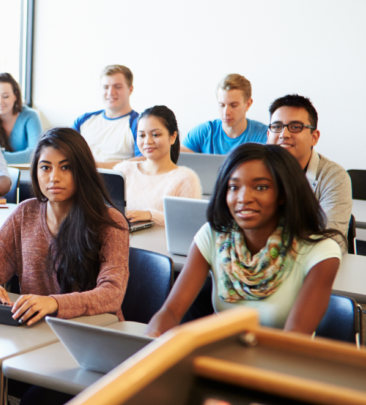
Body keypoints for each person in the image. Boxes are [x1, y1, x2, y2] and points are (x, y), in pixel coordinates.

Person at [0, 127, 130, 405]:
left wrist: (52, 303)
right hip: (35, 340)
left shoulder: (109, 222)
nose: (54, 177)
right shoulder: (25, 213)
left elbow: (112, 294)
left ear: (82, 172)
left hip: (87, 348)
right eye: (46, 167)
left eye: (66, 167)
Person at [147, 144, 342, 337]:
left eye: (260, 187)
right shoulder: (212, 235)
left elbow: (295, 335)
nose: (243, 197)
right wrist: (150, 342)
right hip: (222, 355)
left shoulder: (319, 251)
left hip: (282, 362)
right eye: (233, 187)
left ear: (283, 193)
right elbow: (171, 311)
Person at [265, 94, 351, 254]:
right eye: (277, 127)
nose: (284, 134)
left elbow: (331, 242)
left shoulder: (334, 177)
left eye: (295, 127)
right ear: (268, 134)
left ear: (314, 137)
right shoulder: (253, 168)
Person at [115, 106, 202, 227]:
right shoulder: (123, 170)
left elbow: (189, 223)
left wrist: (151, 215)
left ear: (172, 137)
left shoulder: (186, 178)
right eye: (142, 135)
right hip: (121, 241)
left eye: (155, 134)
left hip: (160, 245)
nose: (147, 141)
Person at [73, 64, 140, 169]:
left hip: (116, 180)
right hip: (81, 179)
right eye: (105, 87)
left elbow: (145, 160)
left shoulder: (139, 123)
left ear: (130, 89)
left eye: (117, 87)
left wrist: (97, 167)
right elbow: (66, 151)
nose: (111, 92)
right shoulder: (83, 120)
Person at [181, 74, 268, 155]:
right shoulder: (202, 133)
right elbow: (179, 162)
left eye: (233, 105)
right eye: (221, 105)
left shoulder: (264, 135)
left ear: (248, 104)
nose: (226, 112)